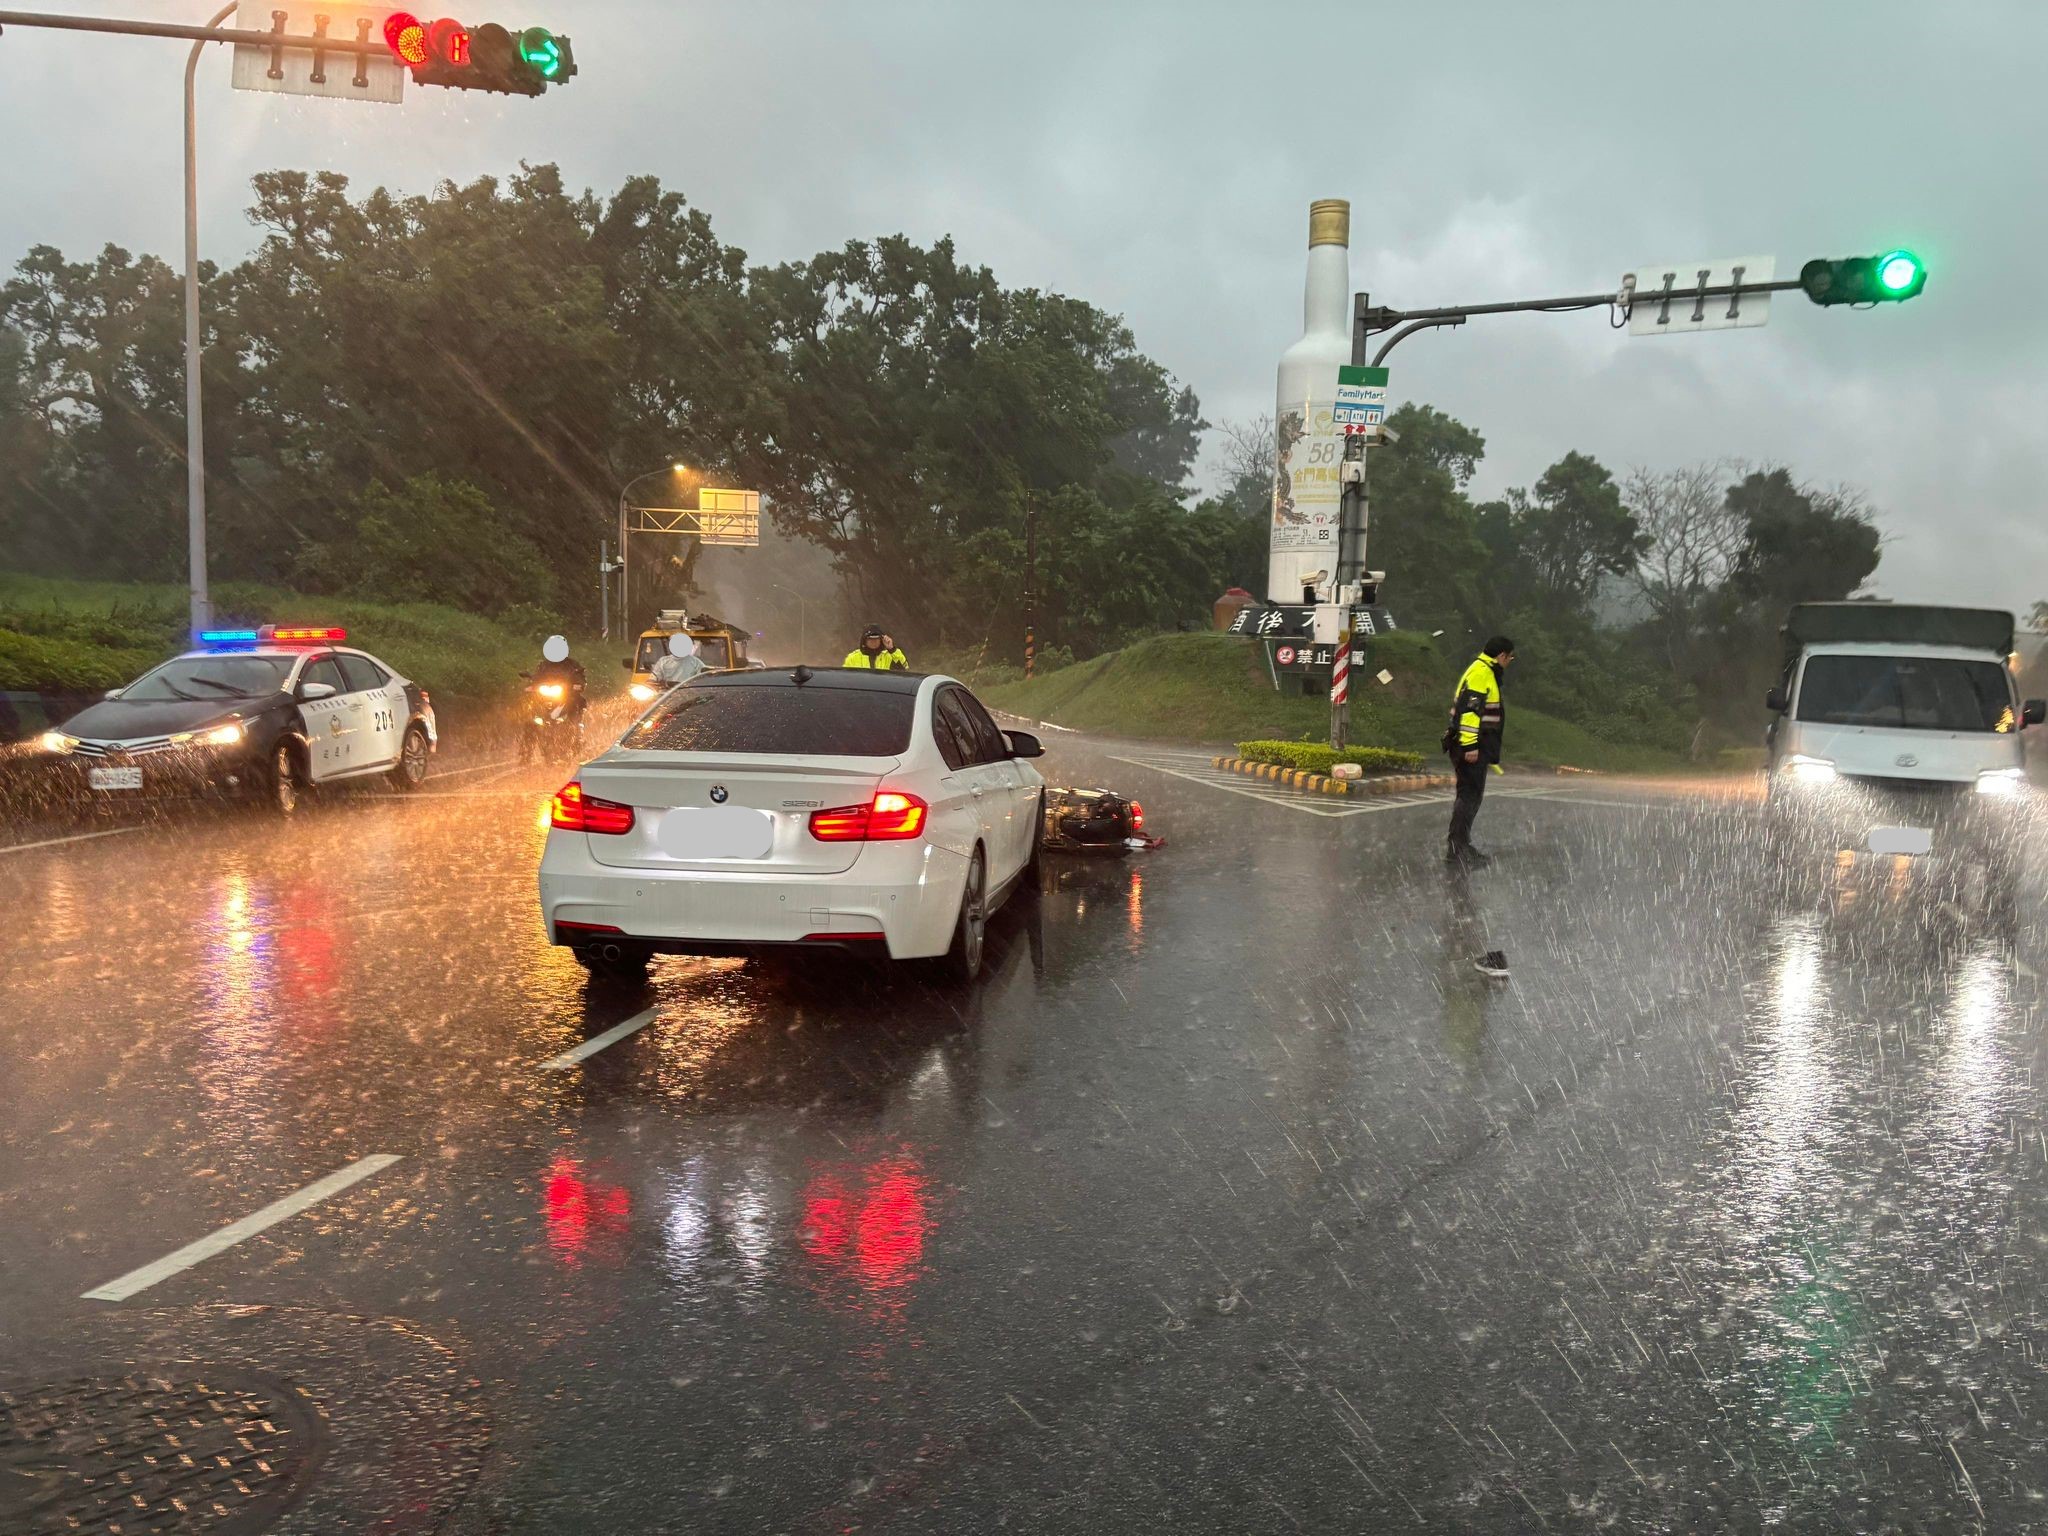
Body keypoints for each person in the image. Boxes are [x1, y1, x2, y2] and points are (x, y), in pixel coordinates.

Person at [1443, 634, 1514, 865]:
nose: (1509, 662)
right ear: (1501, 655)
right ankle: (1457, 849)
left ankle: (1461, 845)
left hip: (1476, 745)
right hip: (1471, 746)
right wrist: (1470, 745)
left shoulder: (1484, 670)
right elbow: (1471, 712)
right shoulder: (1481, 672)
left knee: (1471, 796)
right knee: (1468, 797)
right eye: (1510, 657)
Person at [532, 634, 587, 715]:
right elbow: (538, 676)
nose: (555, 651)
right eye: (553, 649)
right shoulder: (544, 665)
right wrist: (532, 684)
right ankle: (531, 720)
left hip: (567, 694)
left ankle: (575, 724)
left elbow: (580, 676)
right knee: (531, 701)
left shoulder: (572, 664)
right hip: (546, 693)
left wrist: (578, 685)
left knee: (575, 700)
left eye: (558, 649)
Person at [843, 625, 908, 670]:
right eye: (870, 639)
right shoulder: (852, 658)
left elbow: (904, 669)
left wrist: (892, 649)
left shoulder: (889, 656)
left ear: (881, 640)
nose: (874, 642)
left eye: (877, 639)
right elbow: (846, 679)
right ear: (864, 640)